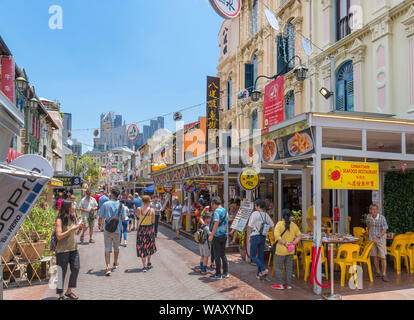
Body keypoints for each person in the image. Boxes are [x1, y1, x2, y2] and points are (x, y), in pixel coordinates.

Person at [55, 200, 83, 300]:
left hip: (73, 248)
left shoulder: (73, 217)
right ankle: (60, 295)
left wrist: (79, 228)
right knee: (61, 272)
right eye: (72, 206)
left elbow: (77, 234)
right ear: (67, 207)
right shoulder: (59, 220)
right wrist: (72, 229)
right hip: (62, 250)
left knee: (76, 268)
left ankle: (69, 291)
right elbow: (59, 236)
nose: (74, 207)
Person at [98, 188, 127, 276]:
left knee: (107, 248)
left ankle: (107, 267)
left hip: (107, 229)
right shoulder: (121, 205)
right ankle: (115, 262)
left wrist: (100, 224)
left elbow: (100, 216)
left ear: (112, 195)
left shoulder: (106, 204)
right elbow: (123, 218)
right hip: (117, 229)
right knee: (116, 247)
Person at [272, 209, 302, 290]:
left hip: (280, 251)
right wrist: (293, 243)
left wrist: (285, 243)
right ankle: (288, 285)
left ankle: (280, 284)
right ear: (290, 216)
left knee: (278, 268)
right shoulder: (294, 225)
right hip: (290, 250)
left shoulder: (279, 224)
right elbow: (299, 236)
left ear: (282, 215)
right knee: (289, 268)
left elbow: (277, 237)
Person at [248, 199, 275, 280]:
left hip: (255, 236)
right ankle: (259, 274)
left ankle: (264, 269)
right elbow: (273, 225)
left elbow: (250, 226)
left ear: (258, 206)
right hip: (263, 237)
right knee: (260, 256)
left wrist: (249, 235)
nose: (255, 206)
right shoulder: (266, 215)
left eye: (255, 205)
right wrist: (273, 235)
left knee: (252, 255)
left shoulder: (255, 214)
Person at [366, 203, 389, 282]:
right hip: (372, 239)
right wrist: (369, 234)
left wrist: (378, 237)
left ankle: (384, 274)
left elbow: (385, 229)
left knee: (382, 257)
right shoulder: (369, 217)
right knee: (374, 256)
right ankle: (378, 272)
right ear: (370, 210)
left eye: (376, 209)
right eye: (373, 209)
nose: (374, 211)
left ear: (378, 210)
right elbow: (368, 225)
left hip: (381, 239)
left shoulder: (382, 218)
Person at [208, 197, 229, 280]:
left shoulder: (216, 211)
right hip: (224, 235)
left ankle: (218, 274)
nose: (211, 206)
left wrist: (211, 235)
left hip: (217, 236)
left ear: (213, 203)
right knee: (223, 254)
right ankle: (225, 273)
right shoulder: (225, 210)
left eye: (211, 204)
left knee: (217, 255)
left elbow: (216, 223)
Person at [136, 195, 157, 272]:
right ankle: (148, 262)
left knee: (142, 247)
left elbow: (138, 216)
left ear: (142, 201)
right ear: (149, 201)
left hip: (141, 230)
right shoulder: (152, 210)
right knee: (149, 246)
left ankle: (144, 266)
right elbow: (153, 221)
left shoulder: (139, 209)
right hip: (149, 229)